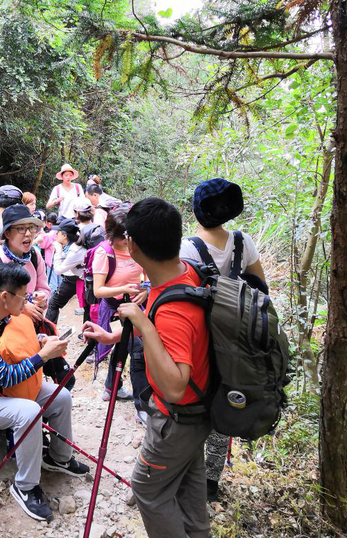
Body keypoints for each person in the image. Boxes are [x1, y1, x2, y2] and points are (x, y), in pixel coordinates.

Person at [83, 198, 211, 538]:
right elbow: (162, 333)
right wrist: (112, 336)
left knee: (148, 489)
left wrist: (143, 323)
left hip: (177, 417)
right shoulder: (183, 274)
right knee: (188, 489)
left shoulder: (173, 310)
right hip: (197, 412)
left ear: (133, 245)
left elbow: (175, 386)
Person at [0, 263, 89, 522]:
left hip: (0, 390)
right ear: (5, 296)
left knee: (61, 397)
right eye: (24, 297)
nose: (27, 302)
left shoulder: (2, 316)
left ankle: (59, 458)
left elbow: (14, 349)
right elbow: (6, 375)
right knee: (29, 412)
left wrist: (41, 342)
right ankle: (25, 486)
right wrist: (43, 356)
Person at [179, 178, 267, 502]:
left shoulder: (187, 248)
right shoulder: (244, 242)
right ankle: (210, 481)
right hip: (236, 342)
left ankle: (186, 470)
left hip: (201, 339)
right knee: (226, 398)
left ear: (196, 211)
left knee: (196, 401)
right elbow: (261, 289)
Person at [92, 205, 149, 409]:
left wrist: (146, 290)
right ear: (111, 234)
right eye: (121, 237)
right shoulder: (104, 253)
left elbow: (148, 275)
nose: (126, 241)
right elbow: (98, 290)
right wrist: (123, 288)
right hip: (115, 309)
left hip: (134, 306)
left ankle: (113, 388)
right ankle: (141, 405)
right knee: (134, 349)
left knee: (127, 348)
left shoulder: (138, 246)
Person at [0, 205, 50, 323]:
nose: (28, 233)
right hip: (1, 327)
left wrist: (41, 298)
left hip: (28, 324)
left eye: (31, 227)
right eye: (21, 228)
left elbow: (44, 288)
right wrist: (22, 306)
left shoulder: (35, 255)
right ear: (7, 233)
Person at [45, 219, 85, 324]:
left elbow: (58, 270)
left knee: (54, 303)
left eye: (58, 232)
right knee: (87, 307)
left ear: (64, 235)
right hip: (76, 277)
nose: (56, 234)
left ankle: (49, 331)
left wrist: (58, 250)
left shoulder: (75, 249)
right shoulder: (74, 244)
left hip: (74, 278)